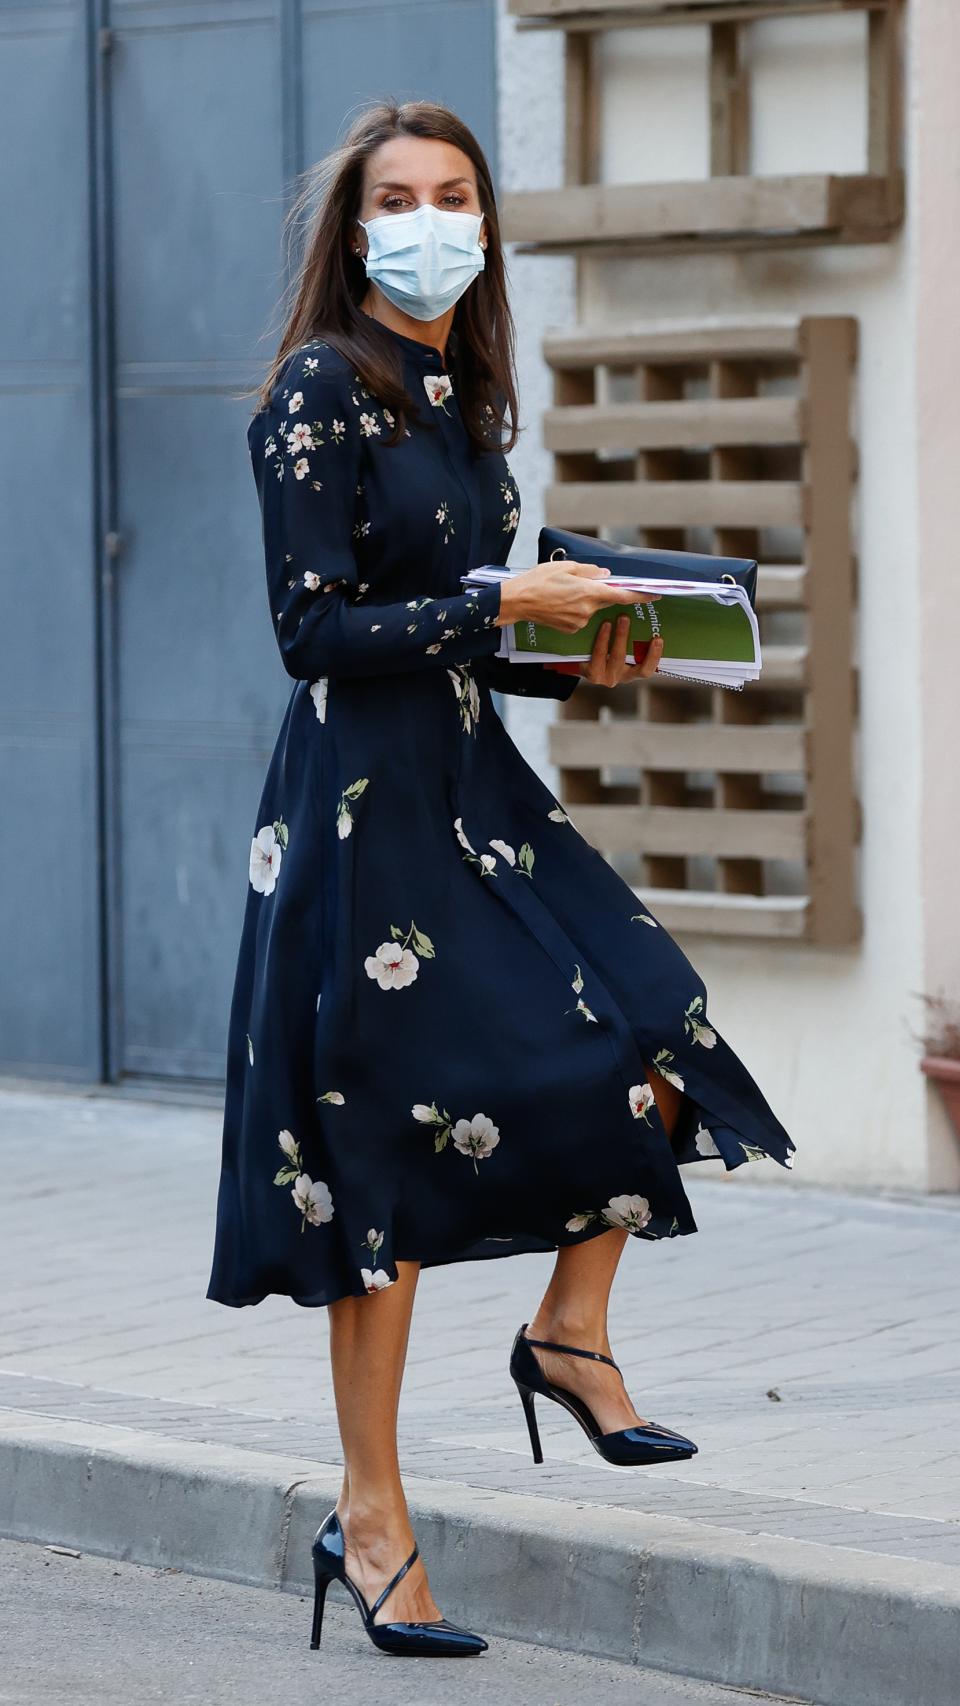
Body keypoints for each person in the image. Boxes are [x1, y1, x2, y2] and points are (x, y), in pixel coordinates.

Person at [206, 99, 796, 1659]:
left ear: (483, 220)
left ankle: (567, 1328)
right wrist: (497, 608)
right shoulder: (319, 390)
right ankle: (376, 1516)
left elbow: (466, 619)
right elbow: (317, 632)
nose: (425, 219)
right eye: (395, 198)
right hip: (358, 816)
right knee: (379, 1167)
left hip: (474, 790)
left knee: (657, 1025)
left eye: (452, 194)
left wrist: (578, 646)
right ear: (353, 232)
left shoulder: (466, 394)